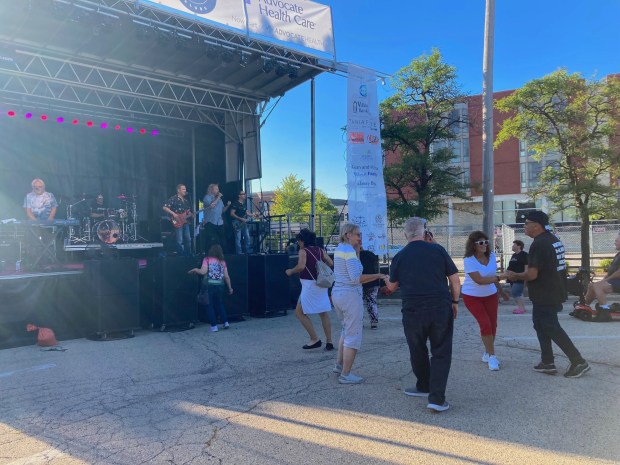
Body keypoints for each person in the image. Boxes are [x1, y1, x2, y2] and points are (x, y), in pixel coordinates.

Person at [384, 217, 460, 413]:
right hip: (440, 307)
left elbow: (392, 287)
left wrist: (386, 278)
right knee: (441, 351)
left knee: (416, 348)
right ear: (424, 232)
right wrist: (455, 301)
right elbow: (454, 280)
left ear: (405, 234)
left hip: (412, 309)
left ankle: (423, 385)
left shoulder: (400, 256)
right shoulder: (438, 250)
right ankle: (436, 398)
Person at [505, 211, 590, 378]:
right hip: (552, 290)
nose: (525, 226)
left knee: (551, 327)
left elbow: (532, 275)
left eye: (527, 223)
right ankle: (548, 361)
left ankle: (578, 361)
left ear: (536, 225)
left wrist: (515, 276)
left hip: (546, 293)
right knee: (540, 325)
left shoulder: (539, 244)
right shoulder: (553, 239)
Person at [331, 223, 387, 384]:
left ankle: (339, 365)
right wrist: (379, 275)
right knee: (353, 335)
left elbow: (352, 270)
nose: (359, 238)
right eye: (357, 235)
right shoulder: (348, 251)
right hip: (349, 295)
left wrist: (356, 250)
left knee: (346, 330)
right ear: (348, 234)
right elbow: (356, 278)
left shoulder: (341, 249)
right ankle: (346, 374)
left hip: (339, 293)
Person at [462, 231, 508, 372]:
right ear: (473, 245)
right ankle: (492, 356)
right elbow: (480, 280)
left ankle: (487, 352)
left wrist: (501, 292)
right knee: (485, 323)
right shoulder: (468, 260)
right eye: (480, 243)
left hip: (490, 296)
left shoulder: (492, 256)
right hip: (472, 296)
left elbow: (492, 276)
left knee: (493, 325)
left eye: (486, 242)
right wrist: (501, 278)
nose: (484, 245)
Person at [285, 229, 334, 351]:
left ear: (302, 240)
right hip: (320, 284)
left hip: (309, 285)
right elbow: (330, 262)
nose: (298, 243)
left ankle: (314, 339)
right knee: (323, 313)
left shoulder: (303, 251)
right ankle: (329, 341)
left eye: (299, 240)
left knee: (299, 313)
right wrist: (320, 269)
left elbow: (301, 266)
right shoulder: (320, 250)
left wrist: (290, 271)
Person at [188, 244, 233, 332]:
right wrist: (230, 288)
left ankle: (214, 326)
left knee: (209, 305)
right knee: (219, 304)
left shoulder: (207, 259)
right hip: (220, 285)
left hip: (209, 286)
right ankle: (225, 322)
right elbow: (227, 276)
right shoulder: (222, 262)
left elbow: (203, 271)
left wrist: (195, 270)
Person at [583, 233, 620, 311]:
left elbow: (618, 273)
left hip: (618, 281)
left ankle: (605, 309)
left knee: (598, 286)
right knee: (591, 285)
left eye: (616, 241)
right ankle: (585, 306)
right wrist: (603, 280)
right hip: (615, 281)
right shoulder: (618, 255)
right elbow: (611, 272)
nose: (614, 242)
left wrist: (605, 280)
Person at [163, 184, 193, 256]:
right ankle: (180, 255)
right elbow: (165, 207)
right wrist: (173, 213)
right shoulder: (173, 198)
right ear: (178, 190)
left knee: (188, 239)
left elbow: (187, 211)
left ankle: (188, 254)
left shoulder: (186, 201)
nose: (185, 191)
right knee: (179, 239)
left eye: (185, 189)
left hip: (185, 221)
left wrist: (191, 214)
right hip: (176, 220)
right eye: (183, 189)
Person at [202, 183, 231, 251]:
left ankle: (223, 256)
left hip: (219, 222)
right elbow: (212, 205)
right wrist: (218, 197)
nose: (218, 190)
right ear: (211, 189)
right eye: (216, 189)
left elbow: (222, 211)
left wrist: (228, 206)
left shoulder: (220, 200)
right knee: (211, 240)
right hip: (210, 222)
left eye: (218, 189)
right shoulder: (207, 197)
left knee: (222, 240)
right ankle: (209, 256)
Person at [360, 246, 380, 329]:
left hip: (361, 282)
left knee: (358, 303)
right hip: (373, 281)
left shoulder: (355, 256)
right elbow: (377, 267)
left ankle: (359, 322)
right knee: (372, 302)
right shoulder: (371, 254)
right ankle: (374, 322)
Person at [507, 240, 528, 314]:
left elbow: (526, 267)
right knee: (518, 293)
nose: (512, 246)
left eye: (514, 245)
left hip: (520, 277)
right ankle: (521, 308)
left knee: (515, 292)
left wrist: (525, 278)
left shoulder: (524, 255)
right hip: (512, 278)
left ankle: (521, 308)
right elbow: (510, 266)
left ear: (519, 246)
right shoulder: (514, 255)